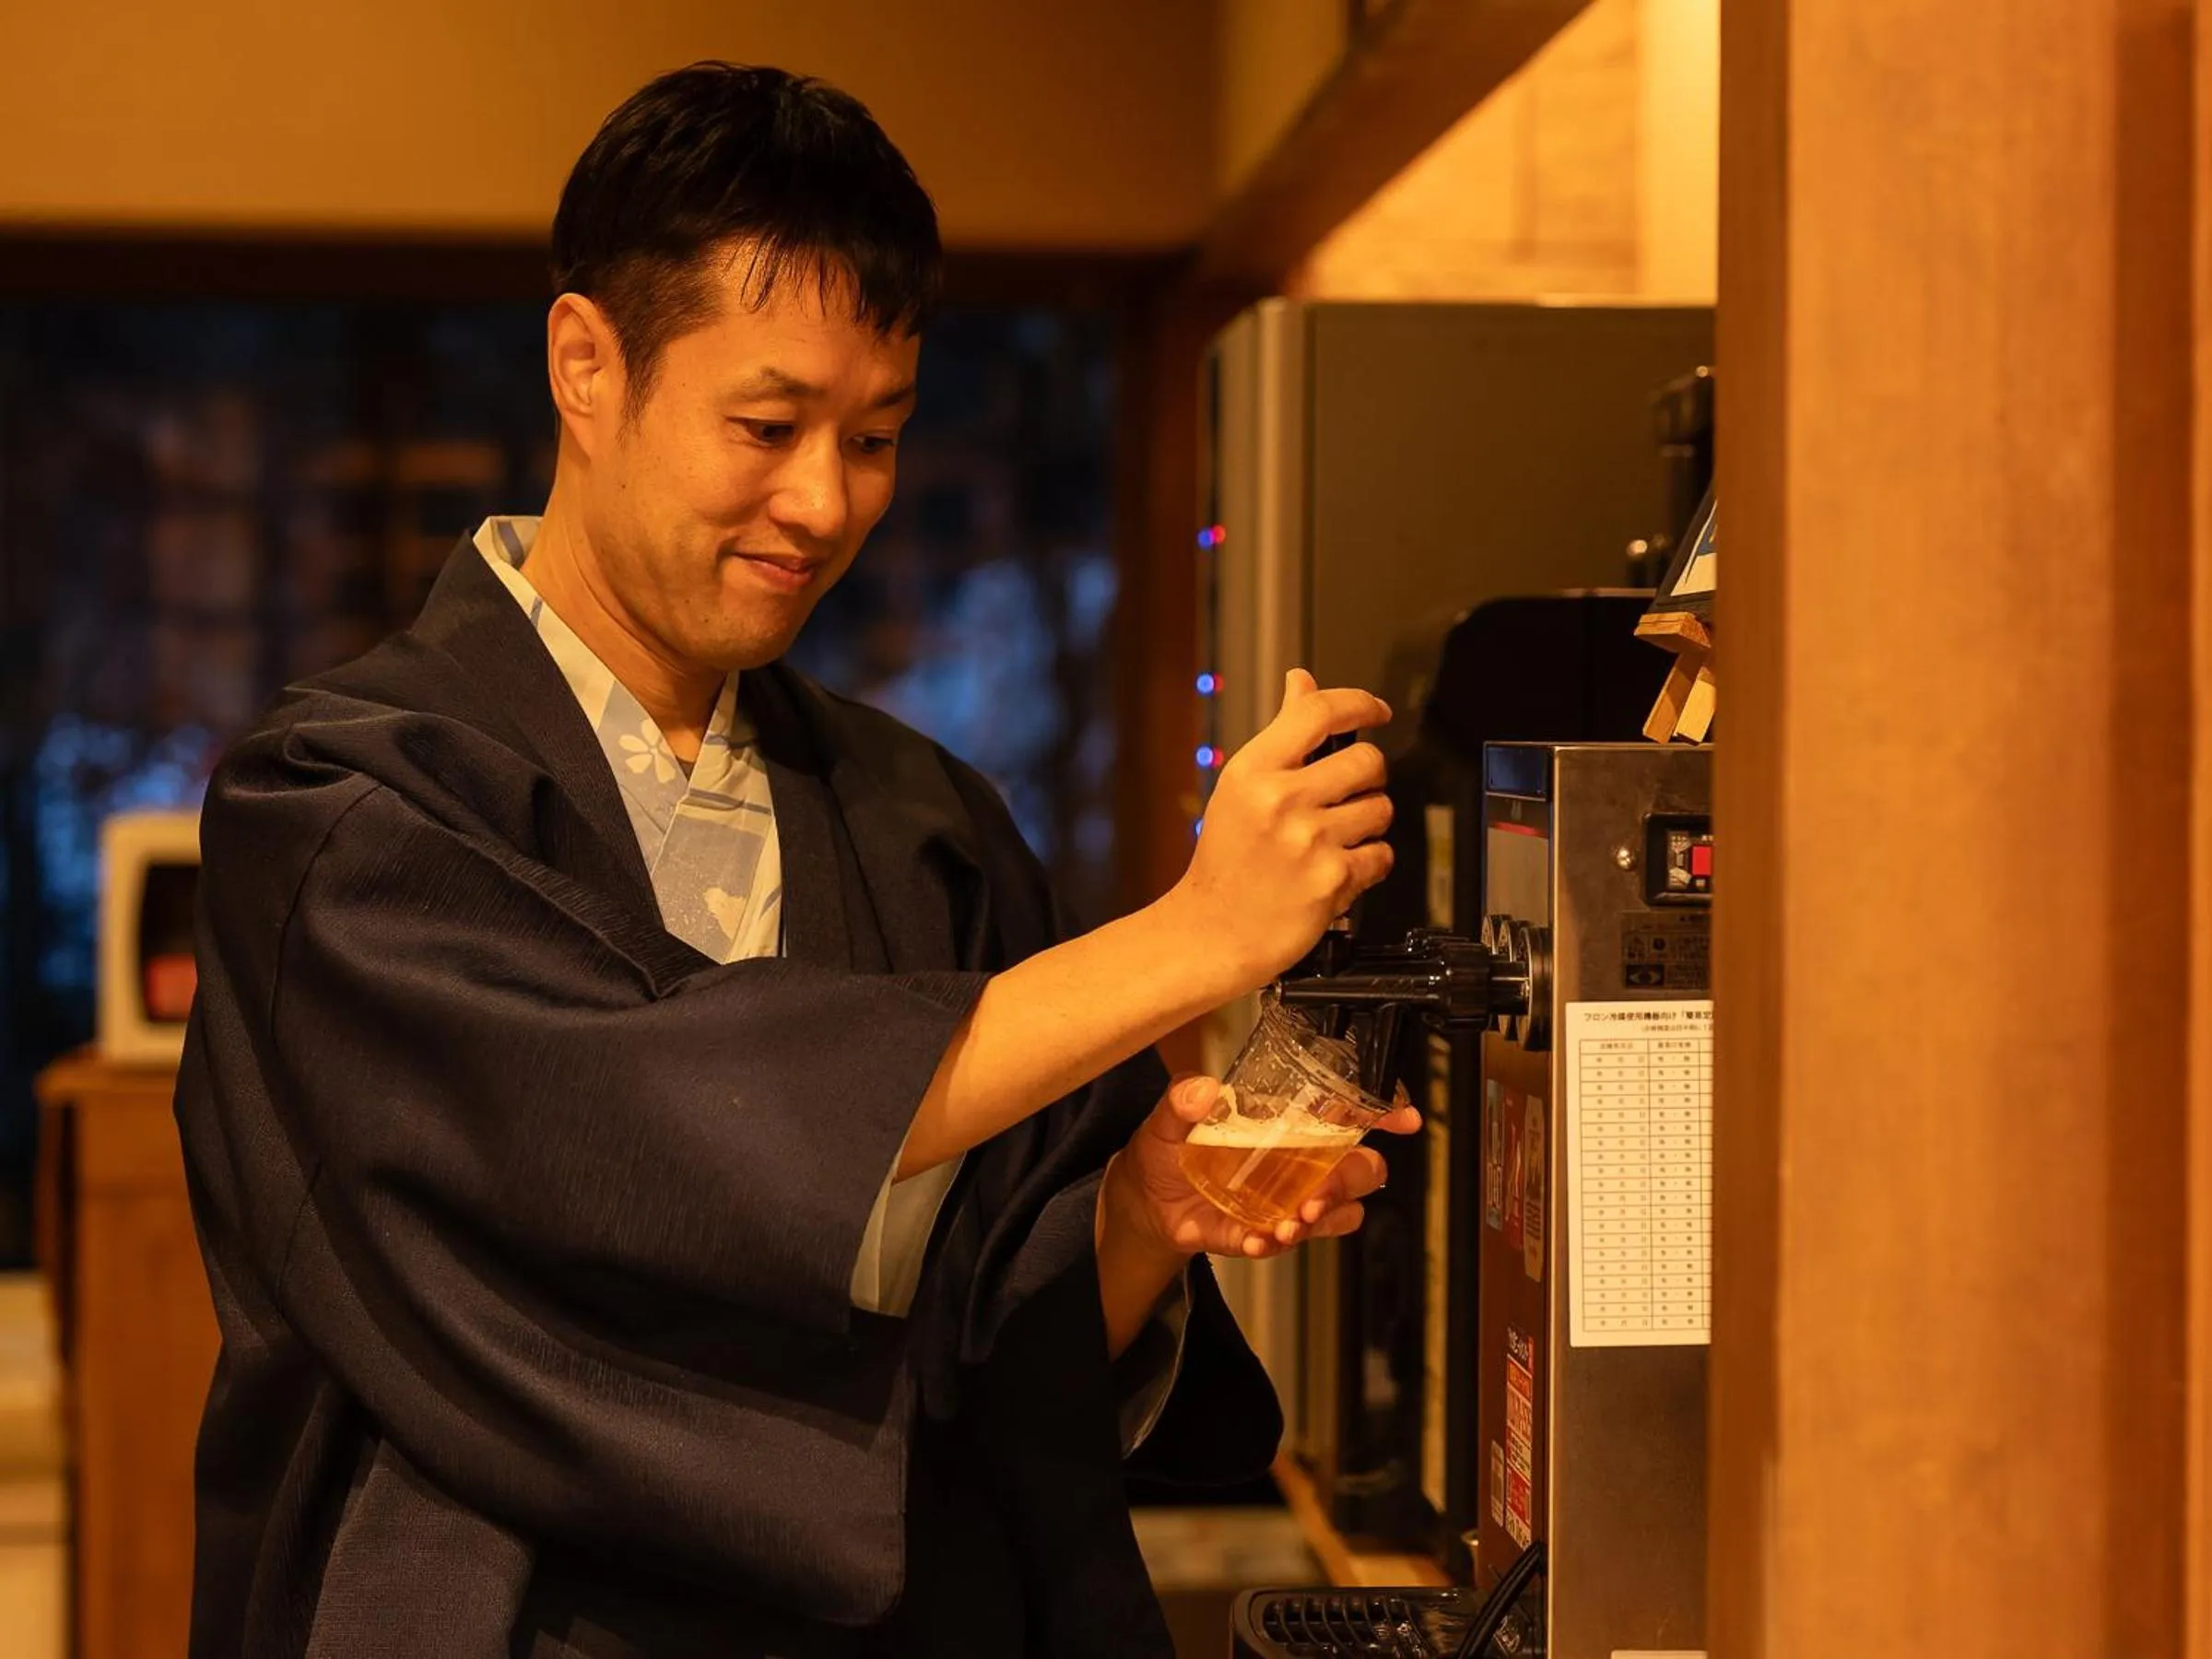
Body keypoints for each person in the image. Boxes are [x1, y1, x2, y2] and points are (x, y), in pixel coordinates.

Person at [174, 63, 1411, 1659]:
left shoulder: (922, 820)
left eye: (877, 438)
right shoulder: (344, 808)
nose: (823, 502)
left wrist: (1135, 1220)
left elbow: (988, 1375)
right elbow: (639, 1130)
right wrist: (1192, 937)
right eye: (767, 425)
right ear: (585, 367)